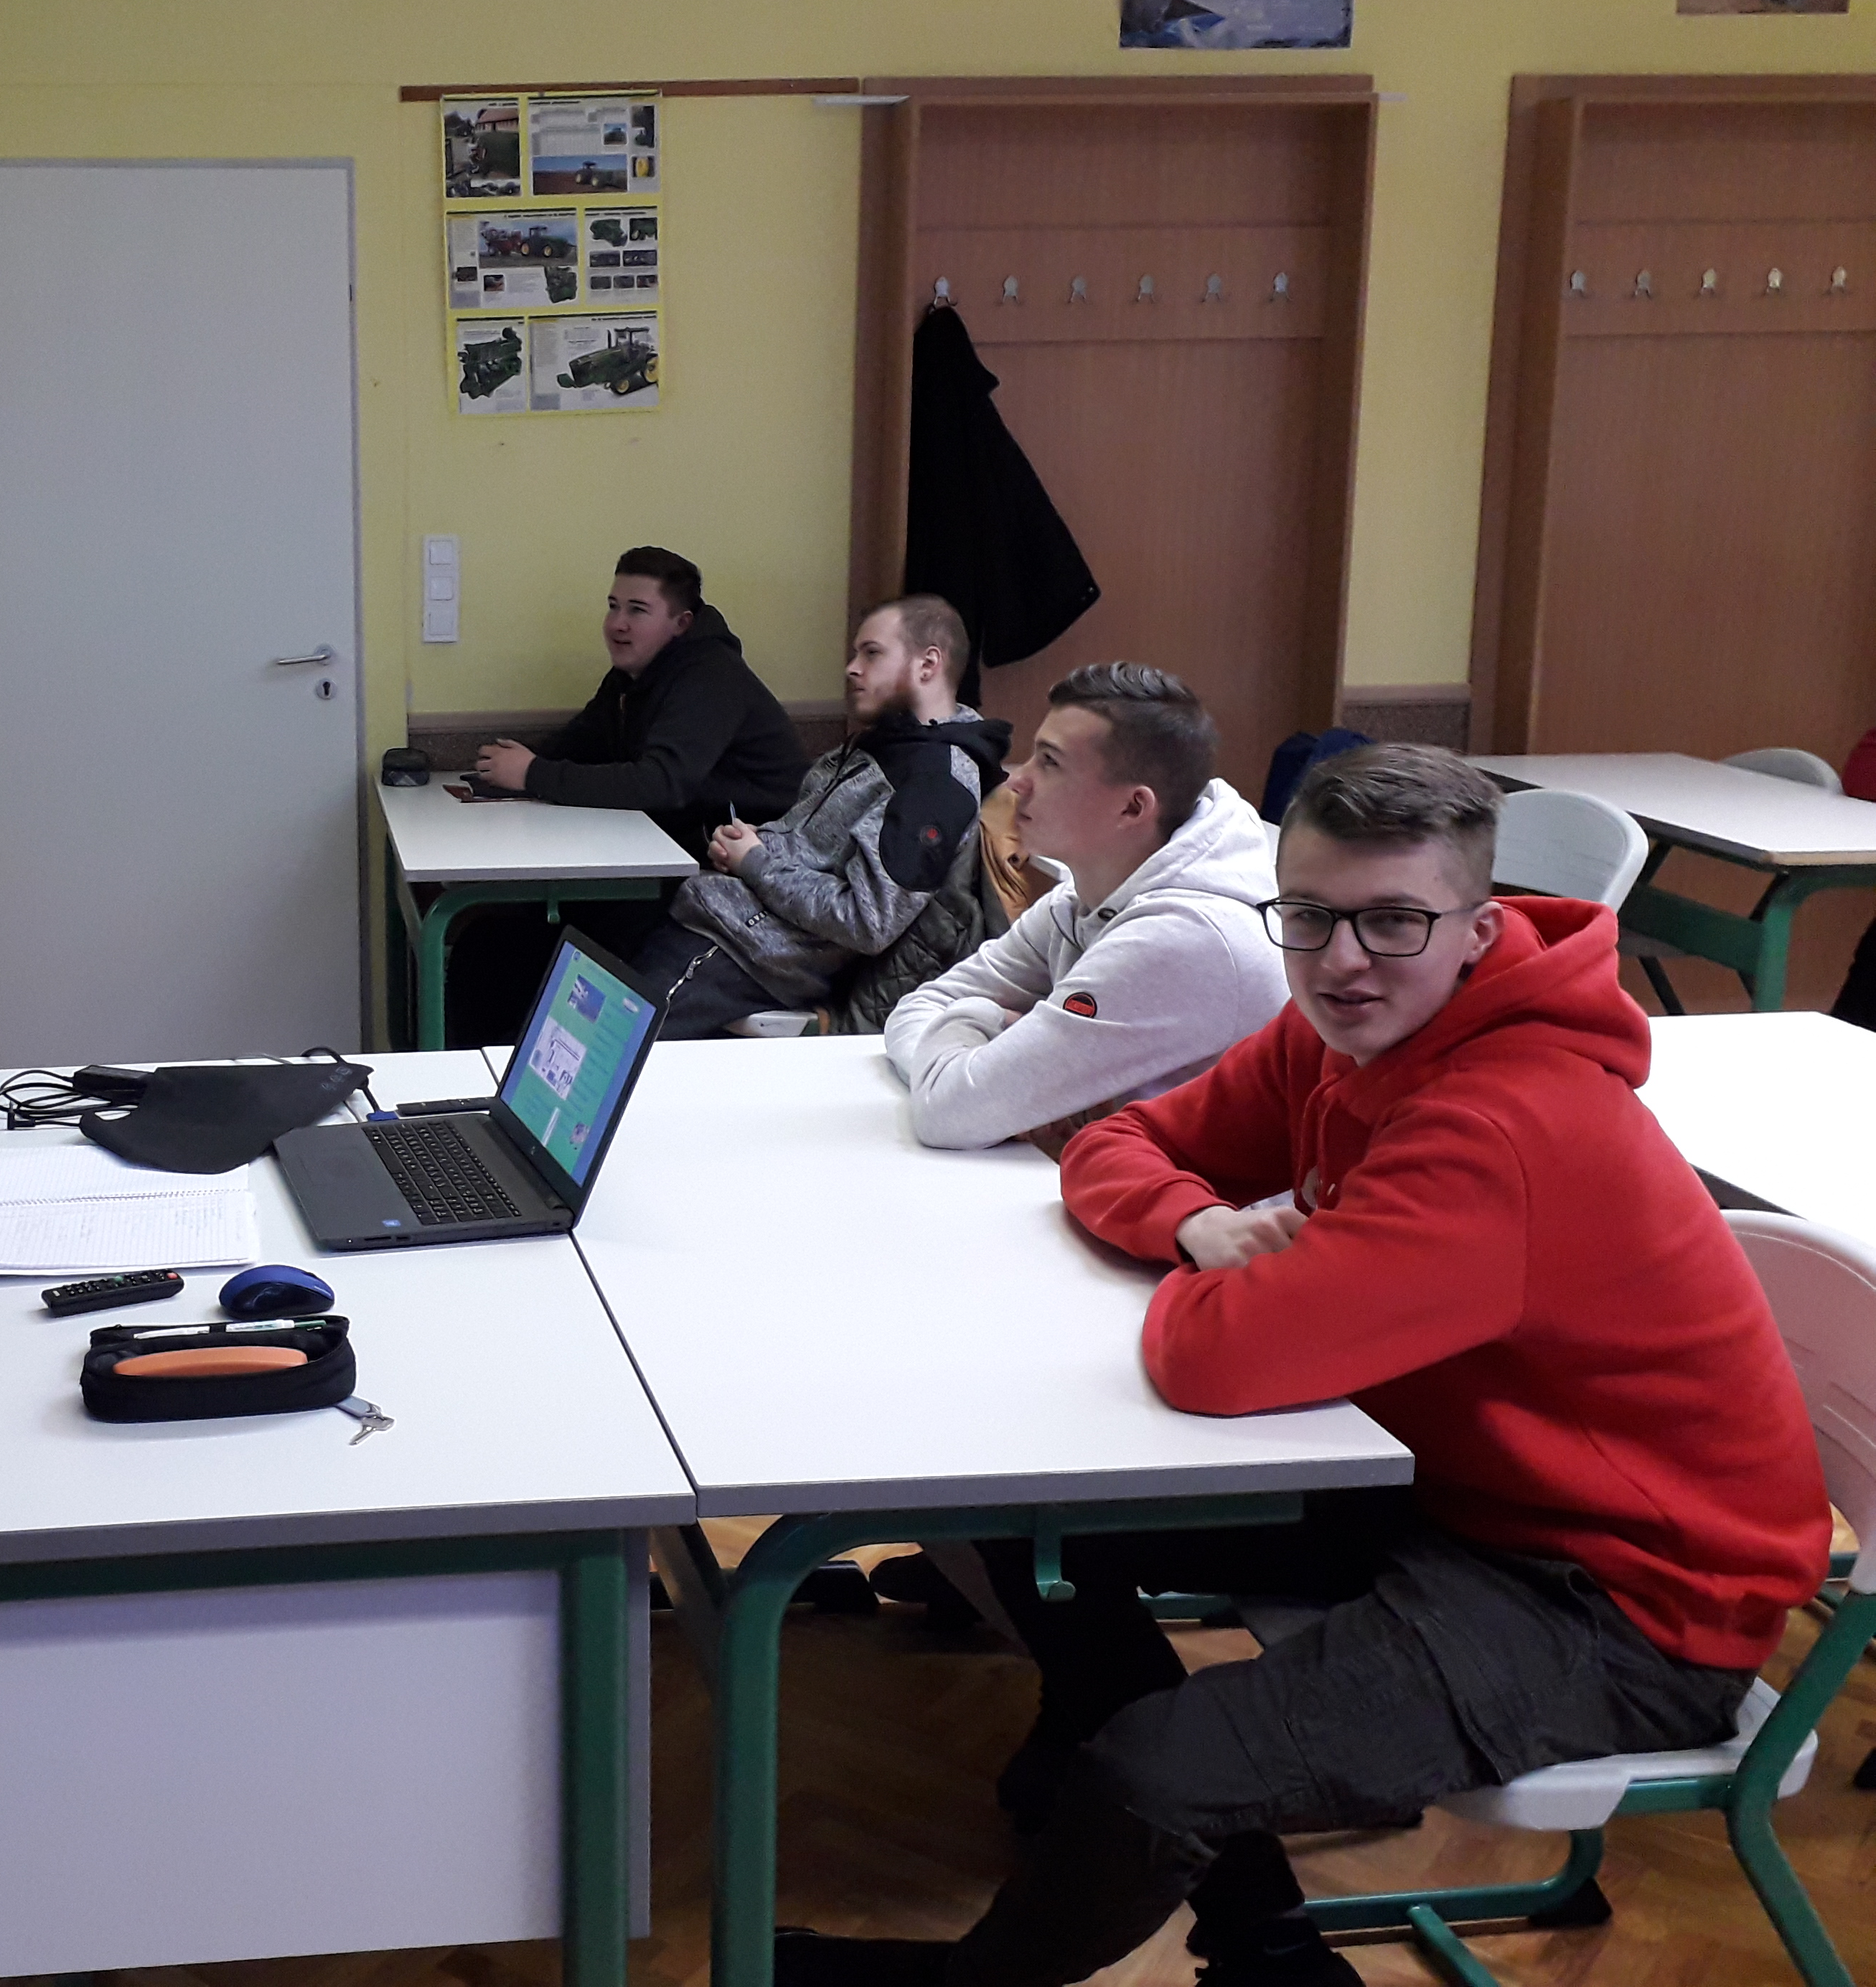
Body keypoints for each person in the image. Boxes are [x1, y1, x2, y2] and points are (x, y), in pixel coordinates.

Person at [779, 745, 1830, 1987]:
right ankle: (1269, 1946)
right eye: (1311, 916)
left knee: (1156, 1771)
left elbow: (1213, 1358)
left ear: (1478, 929)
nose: (1341, 961)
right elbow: (1118, 1142)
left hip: (1625, 1600)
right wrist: (1198, 1226)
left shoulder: (1506, 1123)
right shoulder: (1340, 1035)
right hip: (1455, 1491)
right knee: (1024, 1519)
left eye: (1393, 921)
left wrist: (1240, 1277)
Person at [881, 664, 1285, 1153]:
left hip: (1198, 1200)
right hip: (1117, 1182)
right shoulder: (1082, 898)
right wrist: (987, 1062)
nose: (1017, 781)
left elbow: (948, 1114)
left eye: (1050, 763)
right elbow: (917, 1010)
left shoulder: (1186, 937)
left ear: (1133, 808)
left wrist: (988, 1035)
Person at [623, 595, 1008, 1040]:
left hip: (749, 955)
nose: (852, 668)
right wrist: (754, 844)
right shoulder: (881, 745)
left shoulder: (934, 782)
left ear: (928, 665)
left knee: (610, 1042)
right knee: (594, 953)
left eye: (872, 654)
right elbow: (810, 849)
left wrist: (755, 863)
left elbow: (868, 920)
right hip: (722, 922)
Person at [472, 544, 807, 848]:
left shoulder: (711, 676)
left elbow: (661, 784)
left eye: (637, 610)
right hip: (674, 841)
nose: (617, 624)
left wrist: (532, 774)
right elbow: (581, 744)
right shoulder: (631, 675)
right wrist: (500, 768)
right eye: (613, 607)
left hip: (756, 856)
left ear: (681, 624)